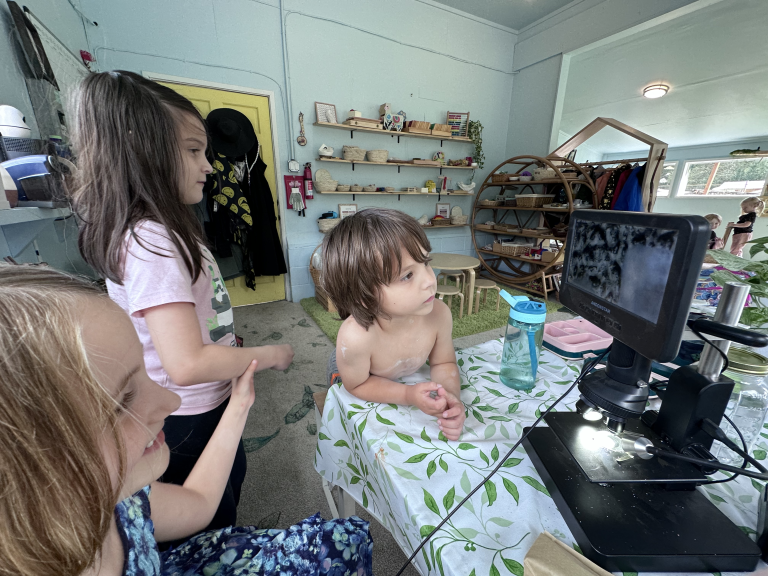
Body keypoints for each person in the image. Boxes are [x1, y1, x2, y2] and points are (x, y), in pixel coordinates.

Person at [0, 264, 372, 576]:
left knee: (347, 540)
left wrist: (238, 406)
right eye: (121, 402)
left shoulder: (121, 499)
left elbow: (196, 501)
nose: (170, 400)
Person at [70, 71, 294, 532]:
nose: (209, 166)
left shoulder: (162, 230)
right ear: (141, 149)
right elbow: (187, 364)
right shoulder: (151, 241)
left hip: (203, 401)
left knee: (230, 479)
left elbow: (192, 317)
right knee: (211, 515)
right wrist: (269, 355)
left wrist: (228, 345)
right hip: (187, 413)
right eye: (194, 150)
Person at [322, 208, 465, 441]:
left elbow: (445, 362)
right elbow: (357, 385)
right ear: (363, 294)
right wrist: (408, 394)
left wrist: (450, 398)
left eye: (426, 262)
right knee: (344, 421)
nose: (430, 280)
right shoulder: (356, 338)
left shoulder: (439, 315)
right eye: (407, 276)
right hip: (353, 371)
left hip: (394, 371)